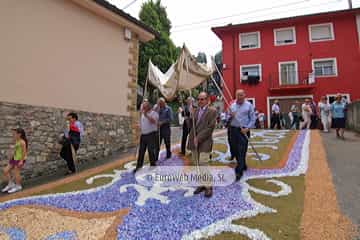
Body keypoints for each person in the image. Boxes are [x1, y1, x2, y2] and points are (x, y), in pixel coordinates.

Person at [188, 92, 217, 198]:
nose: (200, 101)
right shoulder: (195, 111)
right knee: (196, 164)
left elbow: (210, 128)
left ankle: (208, 187)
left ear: (207, 100)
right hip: (194, 141)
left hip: (205, 141)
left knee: (203, 164)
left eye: (202, 99)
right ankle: (201, 184)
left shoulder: (212, 111)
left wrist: (199, 138)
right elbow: (192, 126)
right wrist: (190, 116)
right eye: (198, 99)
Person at [228, 89, 256, 181]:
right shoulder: (232, 106)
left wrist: (247, 128)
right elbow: (226, 118)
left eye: (241, 95)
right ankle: (242, 164)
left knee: (242, 150)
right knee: (235, 150)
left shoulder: (249, 105)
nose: (239, 97)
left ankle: (238, 172)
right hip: (233, 130)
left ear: (244, 95)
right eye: (237, 95)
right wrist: (230, 116)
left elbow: (253, 119)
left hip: (243, 130)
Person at [134, 100, 159, 173]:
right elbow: (142, 123)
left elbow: (154, 122)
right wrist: (139, 128)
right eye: (143, 107)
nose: (143, 108)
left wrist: (146, 115)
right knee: (141, 151)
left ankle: (153, 166)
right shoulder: (142, 114)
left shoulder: (154, 113)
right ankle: (139, 167)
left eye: (144, 107)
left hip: (151, 135)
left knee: (151, 151)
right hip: (143, 135)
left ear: (148, 107)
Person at [2, 128, 28, 193]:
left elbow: (24, 152)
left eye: (15, 133)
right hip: (14, 158)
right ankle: (11, 184)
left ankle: (18, 186)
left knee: (16, 172)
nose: (14, 134)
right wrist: (11, 157)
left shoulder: (22, 142)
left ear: (20, 134)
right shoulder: (17, 141)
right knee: (5, 170)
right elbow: (15, 150)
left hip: (20, 159)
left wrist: (21, 161)